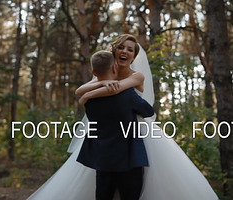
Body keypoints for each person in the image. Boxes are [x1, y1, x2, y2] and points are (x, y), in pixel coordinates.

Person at [27, 34, 219, 200]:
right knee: (103, 181)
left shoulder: (137, 77)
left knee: (145, 180)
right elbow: (80, 90)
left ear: (134, 56)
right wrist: (93, 89)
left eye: (130, 49)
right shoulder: (106, 72)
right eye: (121, 47)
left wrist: (90, 95)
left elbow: (117, 90)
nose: (125, 51)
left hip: (135, 132)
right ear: (115, 51)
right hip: (108, 133)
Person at [76, 50, 154, 200]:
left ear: (93, 72)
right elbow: (148, 111)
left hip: (102, 161)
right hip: (129, 160)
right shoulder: (128, 94)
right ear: (114, 68)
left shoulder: (88, 99)